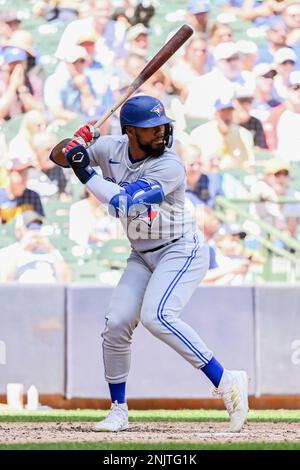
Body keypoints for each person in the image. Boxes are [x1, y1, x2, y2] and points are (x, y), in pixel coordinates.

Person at [57, 95, 249, 432]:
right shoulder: (111, 148)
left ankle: (227, 380)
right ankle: (118, 410)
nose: (160, 131)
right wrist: (77, 141)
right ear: (130, 132)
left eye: (162, 124)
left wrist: (84, 170)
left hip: (180, 249)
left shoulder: (170, 165)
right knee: (116, 324)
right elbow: (58, 156)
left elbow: (124, 199)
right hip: (141, 254)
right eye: (150, 128)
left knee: (156, 316)